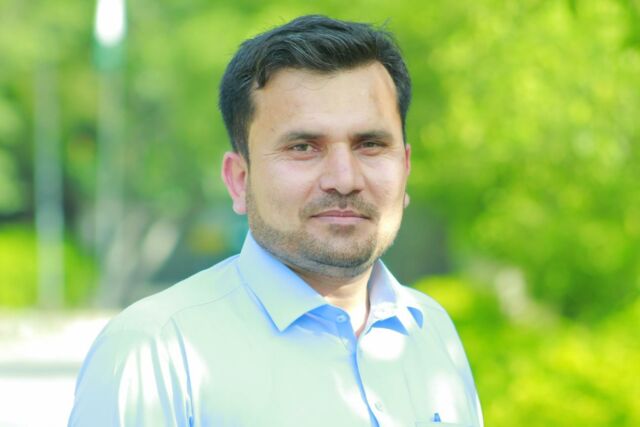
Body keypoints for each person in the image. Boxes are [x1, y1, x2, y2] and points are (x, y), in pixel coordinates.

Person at [69, 15, 483, 427]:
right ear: (239, 179)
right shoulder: (157, 351)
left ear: (405, 169)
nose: (344, 179)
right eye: (303, 147)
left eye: (371, 144)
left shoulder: (432, 333)